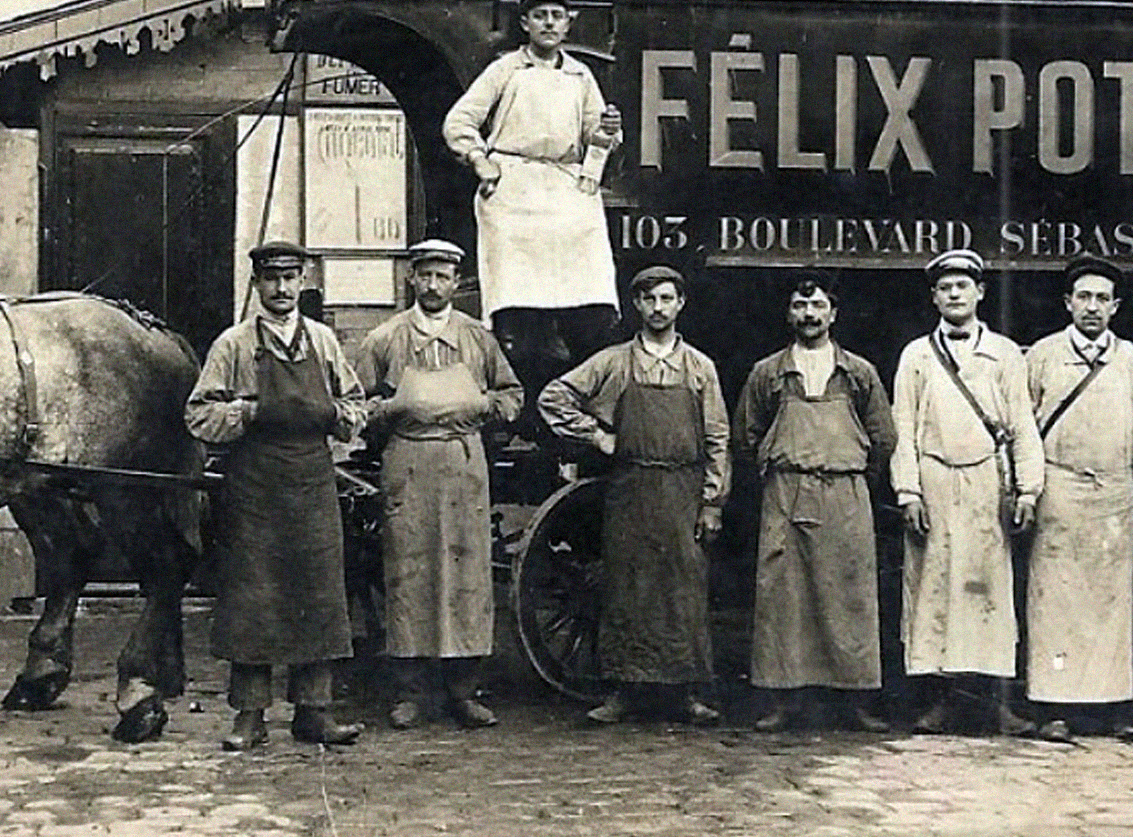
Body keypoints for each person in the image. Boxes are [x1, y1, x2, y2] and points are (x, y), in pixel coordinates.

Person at [185, 240, 366, 751]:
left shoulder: (324, 342)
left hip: (312, 481)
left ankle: (315, 712)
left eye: (290, 278)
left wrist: (335, 416)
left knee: (319, 594)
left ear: (303, 282)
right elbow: (198, 415)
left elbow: (357, 404)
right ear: (257, 284)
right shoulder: (234, 345)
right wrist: (248, 412)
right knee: (253, 598)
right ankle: (250, 717)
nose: (282, 288)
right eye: (272, 279)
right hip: (255, 487)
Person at [538, 265, 730, 726]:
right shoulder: (615, 362)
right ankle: (623, 691)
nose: (658, 308)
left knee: (683, 589)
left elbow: (718, 437)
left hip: (683, 491)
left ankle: (685, 693)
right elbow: (553, 398)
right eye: (649, 299)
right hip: (631, 488)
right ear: (637, 305)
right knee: (627, 586)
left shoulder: (700, 367)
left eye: (666, 299)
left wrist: (712, 502)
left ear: (680, 304)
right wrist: (597, 435)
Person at [354, 239, 524, 731]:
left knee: (466, 575)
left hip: (462, 464)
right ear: (411, 278)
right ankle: (410, 692)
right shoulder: (384, 339)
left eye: (442, 276)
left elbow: (512, 395)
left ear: (455, 282)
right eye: (425, 275)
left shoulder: (478, 339)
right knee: (408, 573)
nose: (432, 285)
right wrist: (393, 408)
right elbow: (355, 404)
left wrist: (485, 406)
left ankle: (464, 691)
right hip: (408, 464)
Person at [441, 0, 623, 400]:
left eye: (557, 16)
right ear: (525, 23)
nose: (549, 24)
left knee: (588, 295)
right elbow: (459, 121)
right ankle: (521, 395)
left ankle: (575, 398)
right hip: (515, 190)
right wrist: (479, 159)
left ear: (567, 24)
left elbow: (597, 136)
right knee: (518, 305)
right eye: (540, 16)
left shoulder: (580, 75)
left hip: (566, 188)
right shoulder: (505, 70)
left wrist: (606, 132)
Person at [734, 272, 896, 734]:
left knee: (850, 596)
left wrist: (850, 473)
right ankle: (784, 700)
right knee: (784, 599)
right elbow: (746, 436)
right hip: (787, 493)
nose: (809, 315)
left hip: (845, 494)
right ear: (789, 314)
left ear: (833, 313)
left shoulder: (858, 373)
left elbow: (883, 436)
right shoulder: (768, 373)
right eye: (800, 306)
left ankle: (854, 700)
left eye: (818, 306)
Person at [890, 249, 1043, 736]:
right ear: (934, 297)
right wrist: (908, 492)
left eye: (963, 286)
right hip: (934, 479)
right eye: (945, 288)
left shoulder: (1005, 353)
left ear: (980, 293)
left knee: (986, 589)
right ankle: (939, 703)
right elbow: (903, 428)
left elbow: (1022, 424)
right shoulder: (917, 355)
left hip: (986, 482)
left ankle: (992, 703)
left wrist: (1028, 490)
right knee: (934, 588)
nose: (954, 294)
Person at [1023, 256, 1133, 743]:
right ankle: (1054, 707)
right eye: (1084, 297)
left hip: (1113, 491)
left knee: (1111, 600)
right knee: (1055, 599)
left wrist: (1116, 472)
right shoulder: (1044, 355)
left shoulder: (1130, 358)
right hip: (1059, 488)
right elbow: (1023, 426)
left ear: (1115, 307)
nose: (1093, 307)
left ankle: (1113, 708)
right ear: (1068, 303)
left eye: (1102, 298)